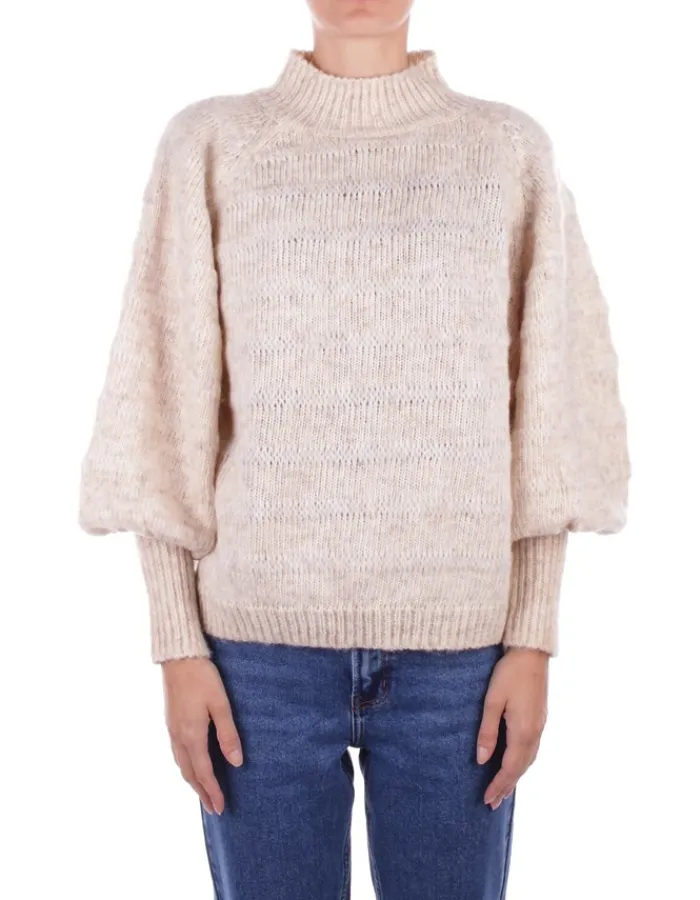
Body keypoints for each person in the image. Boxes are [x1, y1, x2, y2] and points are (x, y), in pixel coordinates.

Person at [77, 1, 631, 897]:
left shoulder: (505, 151)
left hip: (461, 661)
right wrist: (177, 645)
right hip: (255, 661)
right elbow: (163, 404)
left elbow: (550, 411)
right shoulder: (213, 144)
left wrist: (533, 636)